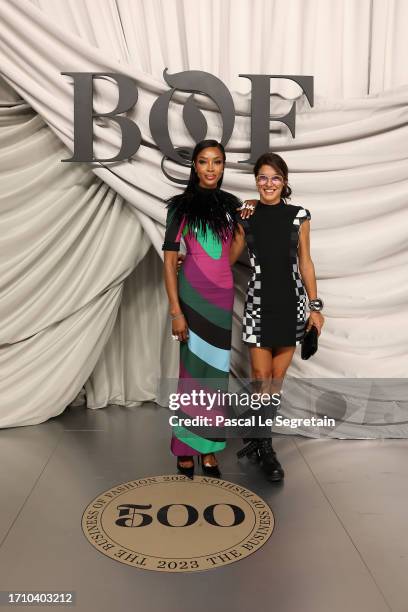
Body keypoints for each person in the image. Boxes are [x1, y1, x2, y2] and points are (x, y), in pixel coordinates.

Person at [230, 152, 325, 482]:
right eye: (262, 178)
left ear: (284, 182)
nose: (268, 184)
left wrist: (315, 307)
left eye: (275, 178)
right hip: (257, 302)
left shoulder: (299, 216)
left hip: (291, 304)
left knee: (274, 381)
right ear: (255, 181)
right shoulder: (246, 216)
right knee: (260, 374)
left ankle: (262, 443)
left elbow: (306, 263)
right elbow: (228, 258)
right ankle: (262, 443)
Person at [162, 139, 247, 479]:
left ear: (223, 167)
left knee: (215, 376)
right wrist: (175, 311)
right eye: (203, 162)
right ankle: (185, 448)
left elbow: (232, 250)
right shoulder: (179, 208)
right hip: (192, 300)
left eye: (217, 162)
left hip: (222, 297)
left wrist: (221, 271)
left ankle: (209, 449)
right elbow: (169, 263)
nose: (211, 168)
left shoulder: (231, 206)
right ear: (194, 166)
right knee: (192, 375)